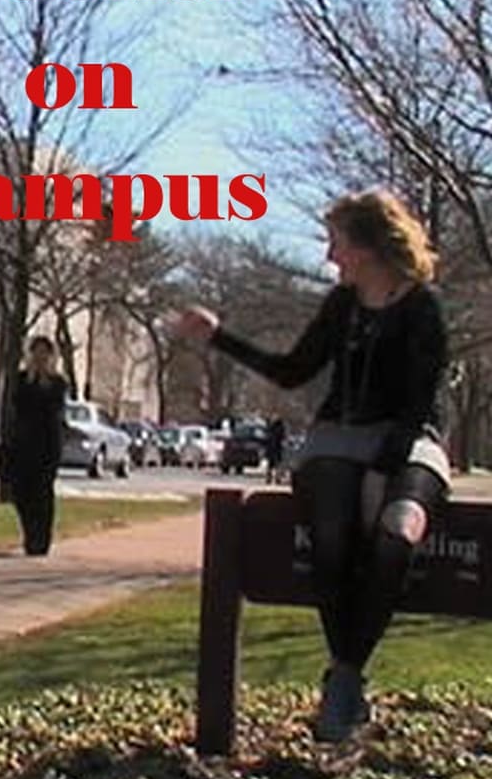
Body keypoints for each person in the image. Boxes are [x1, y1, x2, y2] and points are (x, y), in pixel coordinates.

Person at [169, 188, 450, 743]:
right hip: (336, 440)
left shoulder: (423, 307)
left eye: (336, 243)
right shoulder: (341, 305)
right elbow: (292, 370)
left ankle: (344, 671)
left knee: (398, 532)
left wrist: (383, 471)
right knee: (331, 530)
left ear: (368, 246)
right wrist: (217, 337)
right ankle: (346, 687)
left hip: (408, 442)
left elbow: (418, 403)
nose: (329, 255)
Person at [6, 336, 67, 556]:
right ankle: (29, 533)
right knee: (22, 493)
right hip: (23, 446)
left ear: (51, 356)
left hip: (47, 446)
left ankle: (41, 540)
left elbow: (55, 412)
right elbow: (16, 407)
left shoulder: (58, 383)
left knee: (42, 494)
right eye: (36, 352)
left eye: (44, 353)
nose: (40, 357)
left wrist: (43, 382)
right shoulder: (21, 379)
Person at [265, 415, 286, 483]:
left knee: (270, 465)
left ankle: (269, 478)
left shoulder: (271, 428)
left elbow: (268, 438)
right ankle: (277, 478)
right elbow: (283, 438)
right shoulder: (280, 428)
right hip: (277, 448)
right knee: (277, 464)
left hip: (271, 449)